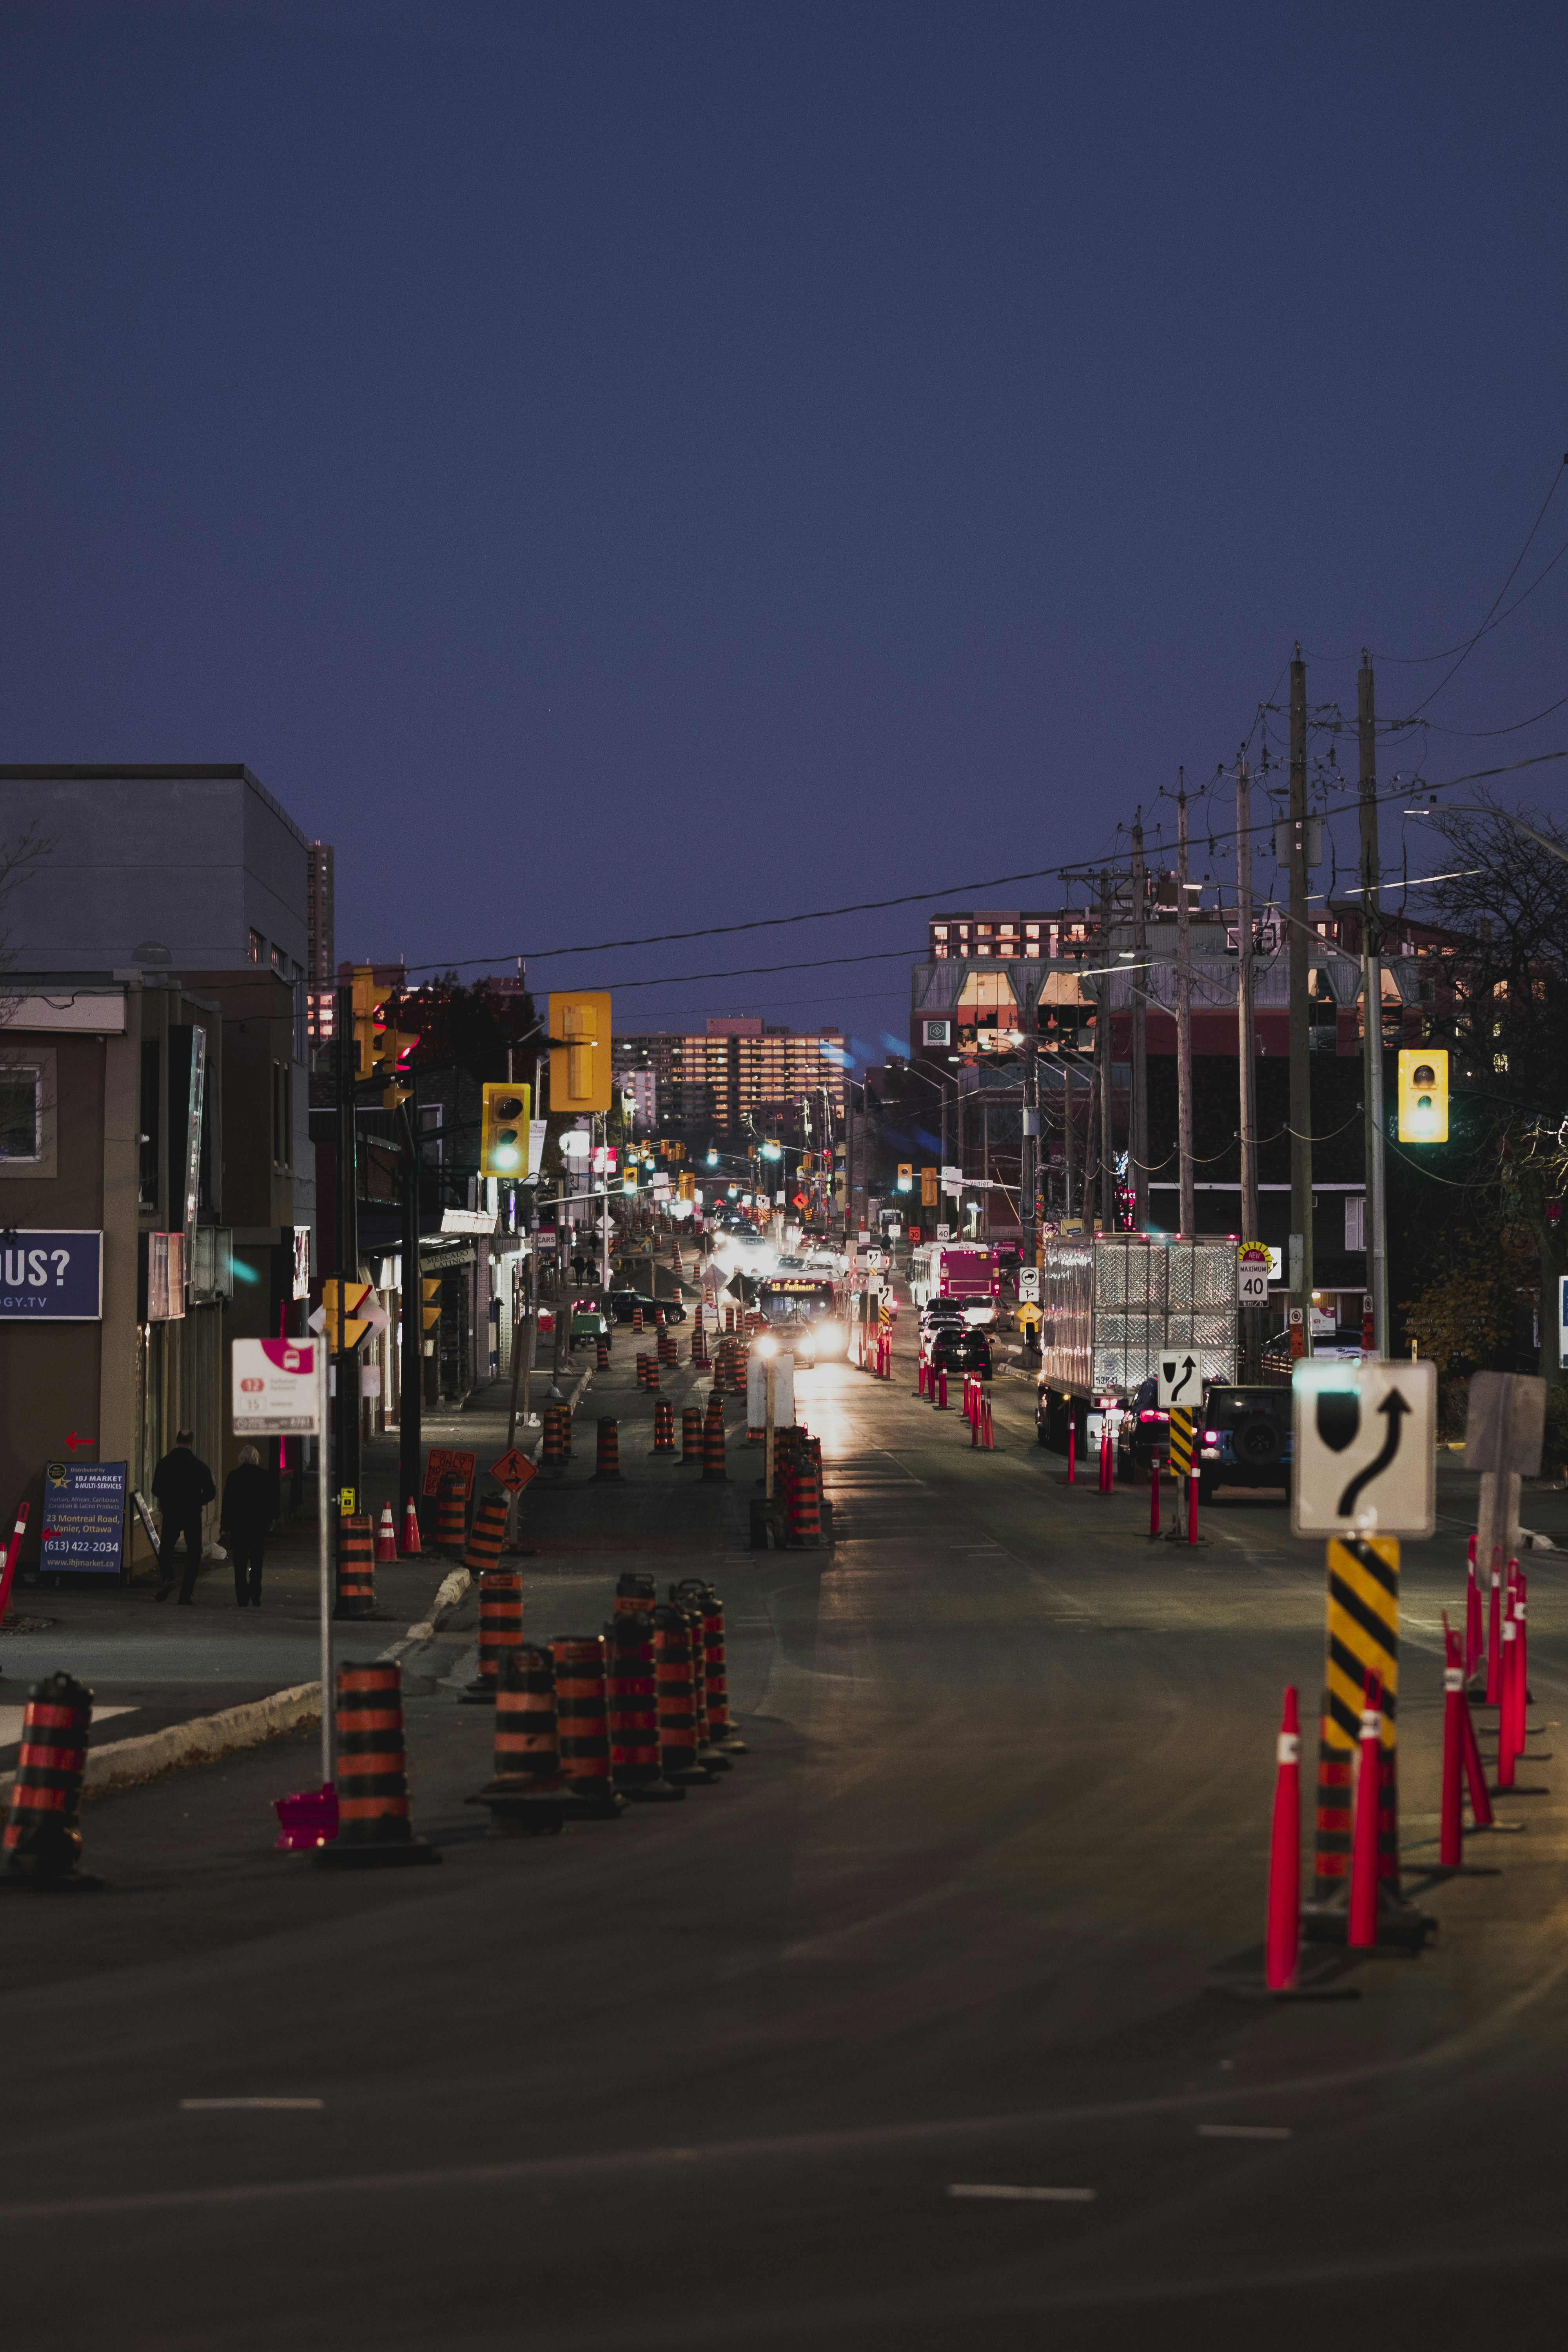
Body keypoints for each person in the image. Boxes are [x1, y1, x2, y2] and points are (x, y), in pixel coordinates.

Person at [151, 1428, 217, 1604]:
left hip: (171, 1513)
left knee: (165, 1550)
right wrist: (196, 1501)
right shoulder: (200, 1466)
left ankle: (168, 1578)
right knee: (194, 1553)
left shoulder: (164, 1464)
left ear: (177, 1441)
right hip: (192, 1514)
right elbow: (211, 1492)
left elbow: (155, 1489)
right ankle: (186, 1593)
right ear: (192, 1442)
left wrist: (170, 1497)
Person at [220, 1444, 273, 1608]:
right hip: (258, 1526)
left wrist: (225, 1526)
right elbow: (270, 1503)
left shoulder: (234, 1476)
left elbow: (227, 1503)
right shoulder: (265, 1476)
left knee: (240, 1562)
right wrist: (269, 1521)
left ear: (242, 1458)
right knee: (257, 1560)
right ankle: (255, 1591)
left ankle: (242, 1597)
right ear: (256, 1459)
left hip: (239, 1526)